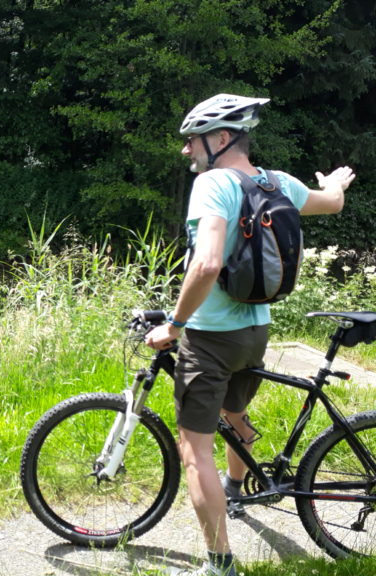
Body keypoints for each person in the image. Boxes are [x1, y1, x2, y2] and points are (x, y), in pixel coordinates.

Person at [144, 93, 355, 576]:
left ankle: (220, 564)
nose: (186, 151)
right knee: (234, 414)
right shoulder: (278, 182)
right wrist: (333, 183)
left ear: (220, 139)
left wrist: (174, 326)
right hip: (256, 330)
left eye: (192, 141)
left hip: (211, 337)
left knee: (194, 451)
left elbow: (208, 262)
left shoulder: (213, 184)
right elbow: (333, 203)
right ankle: (237, 492)